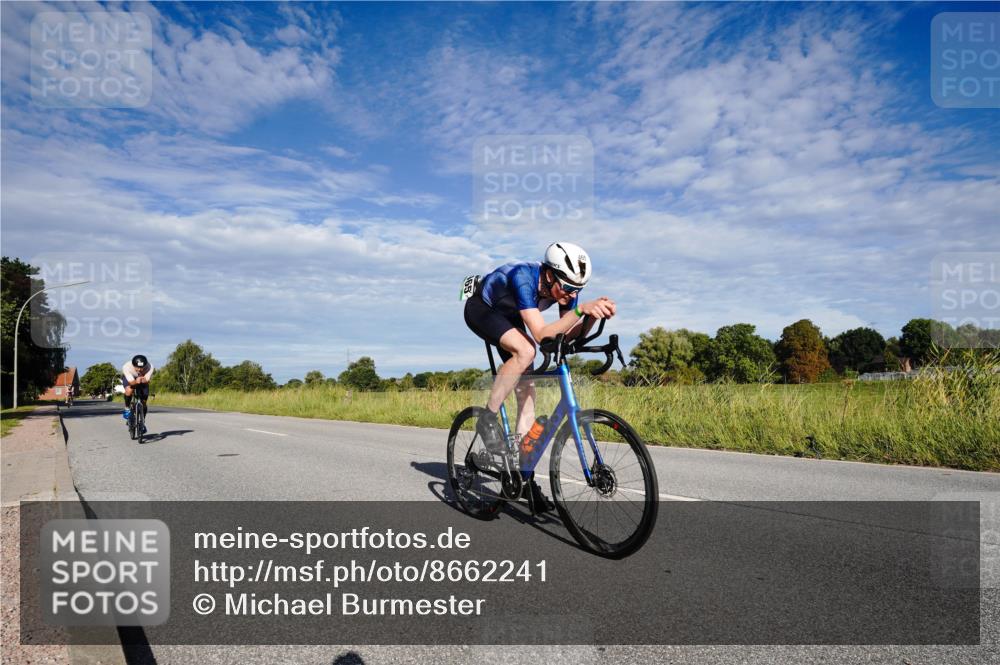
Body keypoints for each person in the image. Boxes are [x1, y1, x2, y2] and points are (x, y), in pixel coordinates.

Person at [463, 242, 616, 510]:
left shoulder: (567, 291)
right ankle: (487, 419)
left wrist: (591, 318)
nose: (571, 295)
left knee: (528, 390)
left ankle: (524, 478)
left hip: (511, 316)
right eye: (567, 287)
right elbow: (541, 334)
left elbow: (563, 335)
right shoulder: (523, 277)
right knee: (525, 351)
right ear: (548, 274)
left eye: (578, 290)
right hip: (482, 309)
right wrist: (581, 310)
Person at [121, 354, 154, 434]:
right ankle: (127, 408)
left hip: (142, 379)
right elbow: (131, 383)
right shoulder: (126, 367)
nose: (139, 369)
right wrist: (136, 381)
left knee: (144, 403)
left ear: (145, 365)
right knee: (129, 391)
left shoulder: (150, 367)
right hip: (130, 378)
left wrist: (143, 380)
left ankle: (142, 422)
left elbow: (146, 380)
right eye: (137, 367)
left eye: (142, 368)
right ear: (133, 365)